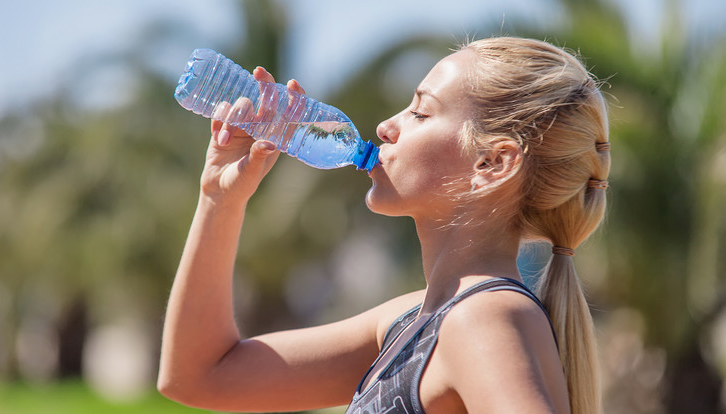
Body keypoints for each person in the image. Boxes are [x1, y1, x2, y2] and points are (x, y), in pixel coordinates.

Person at [158, 36, 611, 414]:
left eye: (420, 111)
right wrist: (219, 198)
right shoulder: (410, 322)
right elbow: (201, 376)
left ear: (492, 162)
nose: (385, 126)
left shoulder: (483, 318)